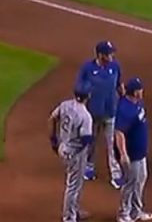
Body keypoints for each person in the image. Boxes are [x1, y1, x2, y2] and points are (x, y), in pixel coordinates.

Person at [76, 40, 123, 187]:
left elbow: (119, 86)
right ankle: (88, 167)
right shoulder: (87, 68)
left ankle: (116, 174)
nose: (112, 55)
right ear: (101, 55)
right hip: (92, 113)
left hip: (110, 112)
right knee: (91, 142)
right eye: (109, 53)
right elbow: (79, 89)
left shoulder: (115, 67)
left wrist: (123, 103)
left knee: (112, 144)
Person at [50, 83, 94, 222]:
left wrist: (53, 141)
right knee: (73, 185)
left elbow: (52, 118)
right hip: (75, 153)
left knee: (76, 183)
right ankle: (69, 218)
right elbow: (85, 139)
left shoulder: (65, 105)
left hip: (63, 147)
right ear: (88, 96)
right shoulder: (85, 116)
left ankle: (74, 210)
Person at [114, 77, 152, 222]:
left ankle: (136, 211)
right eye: (140, 89)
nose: (142, 91)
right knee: (130, 183)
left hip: (140, 152)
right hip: (131, 154)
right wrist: (123, 154)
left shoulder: (136, 103)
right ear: (135, 92)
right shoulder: (125, 109)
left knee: (140, 180)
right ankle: (123, 214)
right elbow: (119, 133)